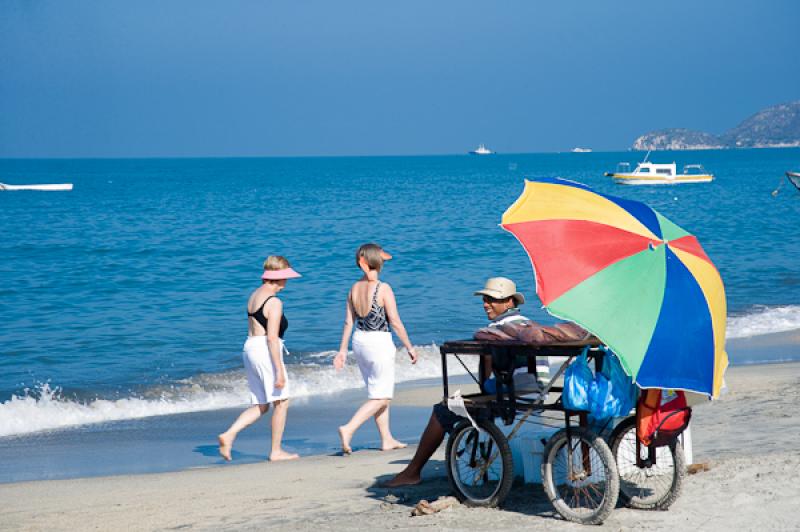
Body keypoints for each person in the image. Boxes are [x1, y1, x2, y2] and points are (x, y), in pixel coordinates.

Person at [384, 276, 531, 487]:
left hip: (512, 399)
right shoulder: (529, 325)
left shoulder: (495, 331)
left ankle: (412, 472)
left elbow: (486, 375)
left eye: (492, 300)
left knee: (442, 410)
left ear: (509, 302)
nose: (486, 304)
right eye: (485, 299)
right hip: (536, 393)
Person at [334, 243, 418, 454]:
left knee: (377, 391)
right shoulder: (383, 288)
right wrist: (409, 346)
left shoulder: (353, 288)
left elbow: (347, 323)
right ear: (377, 262)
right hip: (379, 343)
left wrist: (342, 351)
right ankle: (349, 428)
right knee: (382, 396)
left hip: (359, 341)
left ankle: (386, 439)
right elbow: (395, 321)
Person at [218, 256, 301, 462]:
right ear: (279, 277)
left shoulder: (254, 295)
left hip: (250, 348)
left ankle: (229, 434)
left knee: (262, 404)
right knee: (281, 402)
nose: (287, 282)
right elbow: (272, 338)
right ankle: (276, 451)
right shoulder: (274, 302)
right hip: (265, 350)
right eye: (286, 277)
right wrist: (279, 370)